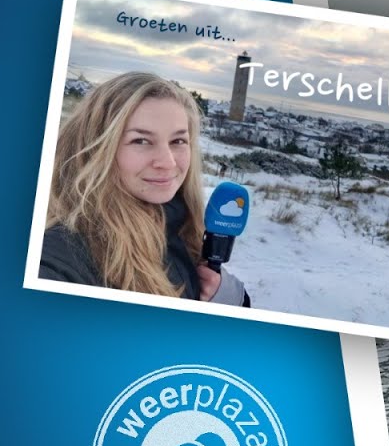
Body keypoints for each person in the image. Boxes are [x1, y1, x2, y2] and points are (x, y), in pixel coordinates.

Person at [40, 72, 250, 307]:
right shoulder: (63, 253)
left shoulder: (181, 227)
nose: (168, 162)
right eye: (140, 140)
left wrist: (227, 298)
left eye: (178, 141)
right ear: (96, 148)